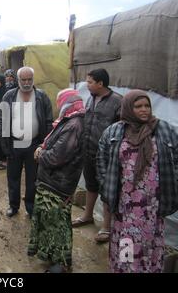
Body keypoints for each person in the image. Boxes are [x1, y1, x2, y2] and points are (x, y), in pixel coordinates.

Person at [97, 90, 178, 273]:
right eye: (138, 106)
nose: (144, 110)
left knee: (149, 241)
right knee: (127, 241)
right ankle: (126, 269)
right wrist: (105, 184)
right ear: (128, 108)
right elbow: (101, 159)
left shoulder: (163, 129)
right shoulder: (115, 131)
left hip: (153, 205)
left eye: (147, 106)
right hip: (124, 203)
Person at [28, 88, 85, 273]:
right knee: (50, 222)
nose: (59, 105)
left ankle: (62, 264)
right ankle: (53, 258)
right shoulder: (68, 121)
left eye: (61, 101)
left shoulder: (74, 124)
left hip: (58, 184)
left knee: (58, 224)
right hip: (52, 181)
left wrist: (40, 153)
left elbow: (56, 157)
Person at [72, 68, 122, 244]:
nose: (87, 84)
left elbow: (122, 130)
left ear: (101, 83)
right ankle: (87, 216)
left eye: (90, 82)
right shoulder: (91, 98)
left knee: (107, 191)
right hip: (88, 150)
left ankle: (106, 227)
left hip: (106, 156)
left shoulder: (117, 102)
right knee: (91, 185)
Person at [0, 66, 53, 218]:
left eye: (30, 79)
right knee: (13, 177)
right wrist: (5, 146)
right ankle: (13, 206)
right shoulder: (9, 96)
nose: (27, 82)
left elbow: (49, 121)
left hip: (34, 144)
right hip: (15, 143)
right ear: (18, 80)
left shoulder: (41, 96)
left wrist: (44, 144)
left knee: (33, 178)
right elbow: (1, 121)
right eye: (24, 79)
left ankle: (31, 207)